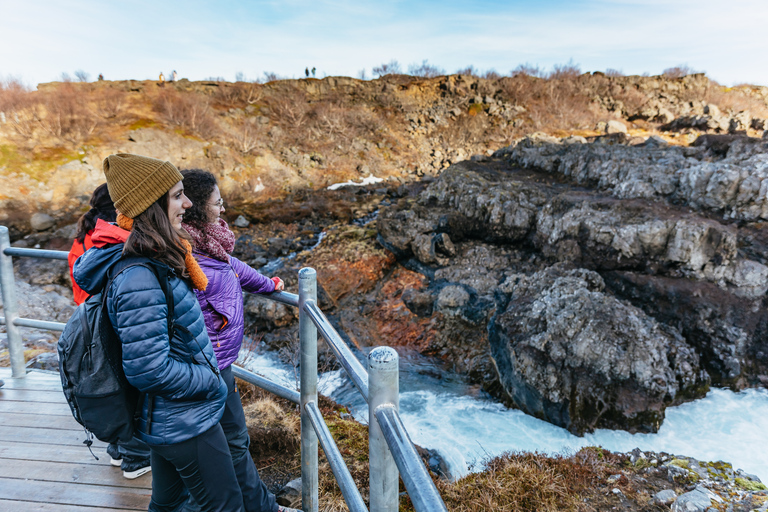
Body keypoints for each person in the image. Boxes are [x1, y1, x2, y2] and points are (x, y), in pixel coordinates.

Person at [73, 154, 244, 511]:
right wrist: (211, 379)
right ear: (153, 204)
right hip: (184, 419)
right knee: (226, 504)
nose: (187, 203)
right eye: (178, 195)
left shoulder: (158, 257)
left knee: (168, 503)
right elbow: (148, 368)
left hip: (170, 418)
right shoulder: (139, 275)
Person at [180, 169, 288, 512]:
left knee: (226, 442)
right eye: (217, 202)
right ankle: (261, 507)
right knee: (233, 442)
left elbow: (233, 268)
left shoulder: (206, 244)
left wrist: (269, 285)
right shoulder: (186, 253)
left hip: (217, 364)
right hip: (208, 367)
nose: (223, 209)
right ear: (197, 207)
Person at [67, 183, 152, 479]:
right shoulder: (111, 237)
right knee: (126, 386)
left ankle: (118, 450)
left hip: (88, 316)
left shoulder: (86, 236)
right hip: (107, 318)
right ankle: (135, 458)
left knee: (110, 383)